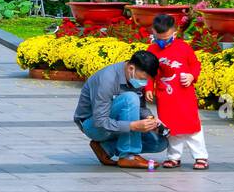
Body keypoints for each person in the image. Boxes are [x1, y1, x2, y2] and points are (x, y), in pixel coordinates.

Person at [73, 49, 168, 169]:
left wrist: (151, 120)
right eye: (142, 78)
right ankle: (128, 155)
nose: (144, 83)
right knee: (130, 97)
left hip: (117, 124)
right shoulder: (107, 79)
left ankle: (105, 148)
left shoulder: (134, 78)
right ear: (131, 68)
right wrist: (133, 126)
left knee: (159, 143)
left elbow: (141, 107)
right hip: (94, 125)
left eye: (146, 80)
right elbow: (100, 121)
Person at [145, 13, 208, 170]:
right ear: (153, 32)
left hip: (184, 95)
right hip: (165, 96)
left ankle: (201, 156)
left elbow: (195, 65)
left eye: (166, 39)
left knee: (192, 126)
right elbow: (149, 72)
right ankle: (174, 157)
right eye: (159, 39)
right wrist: (148, 88)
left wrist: (191, 76)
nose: (163, 42)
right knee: (170, 128)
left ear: (175, 32)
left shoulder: (183, 47)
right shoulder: (152, 50)